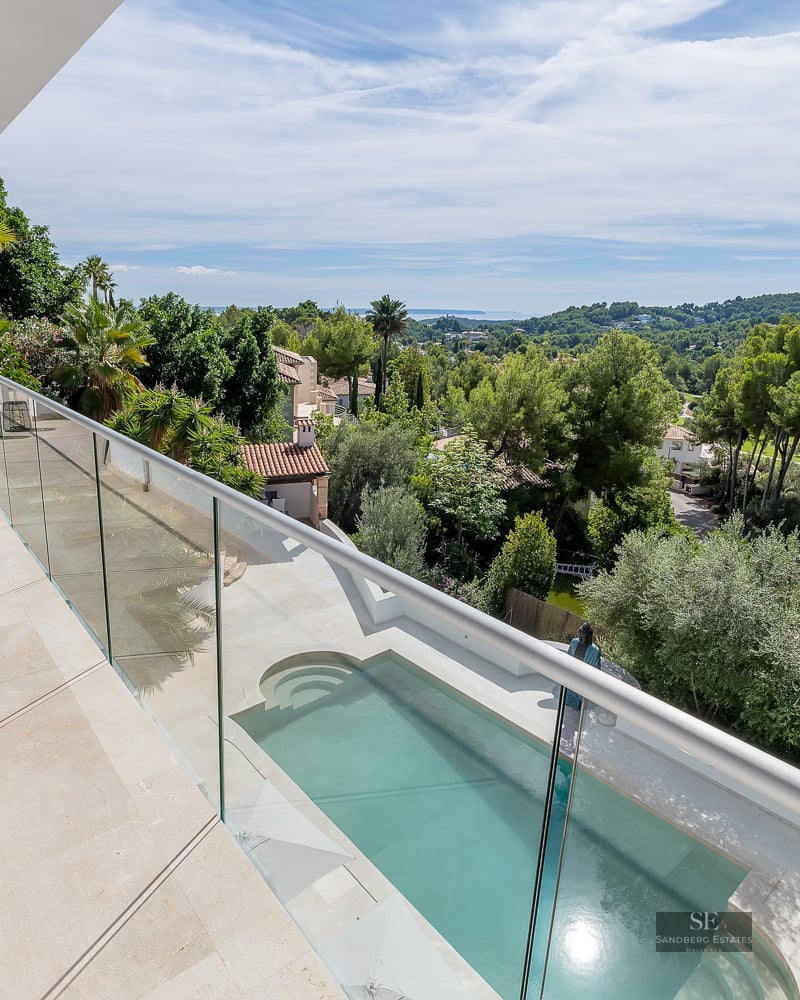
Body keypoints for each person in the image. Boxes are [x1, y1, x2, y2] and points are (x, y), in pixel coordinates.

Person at [564, 622, 602, 711]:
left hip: (582, 682)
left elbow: (596, 673)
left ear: (589, 637)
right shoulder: (574, 642)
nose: (581, 638)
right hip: (570, 678)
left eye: (584, 636)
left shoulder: (594, 651)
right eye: (579, 635)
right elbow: (567, 659)